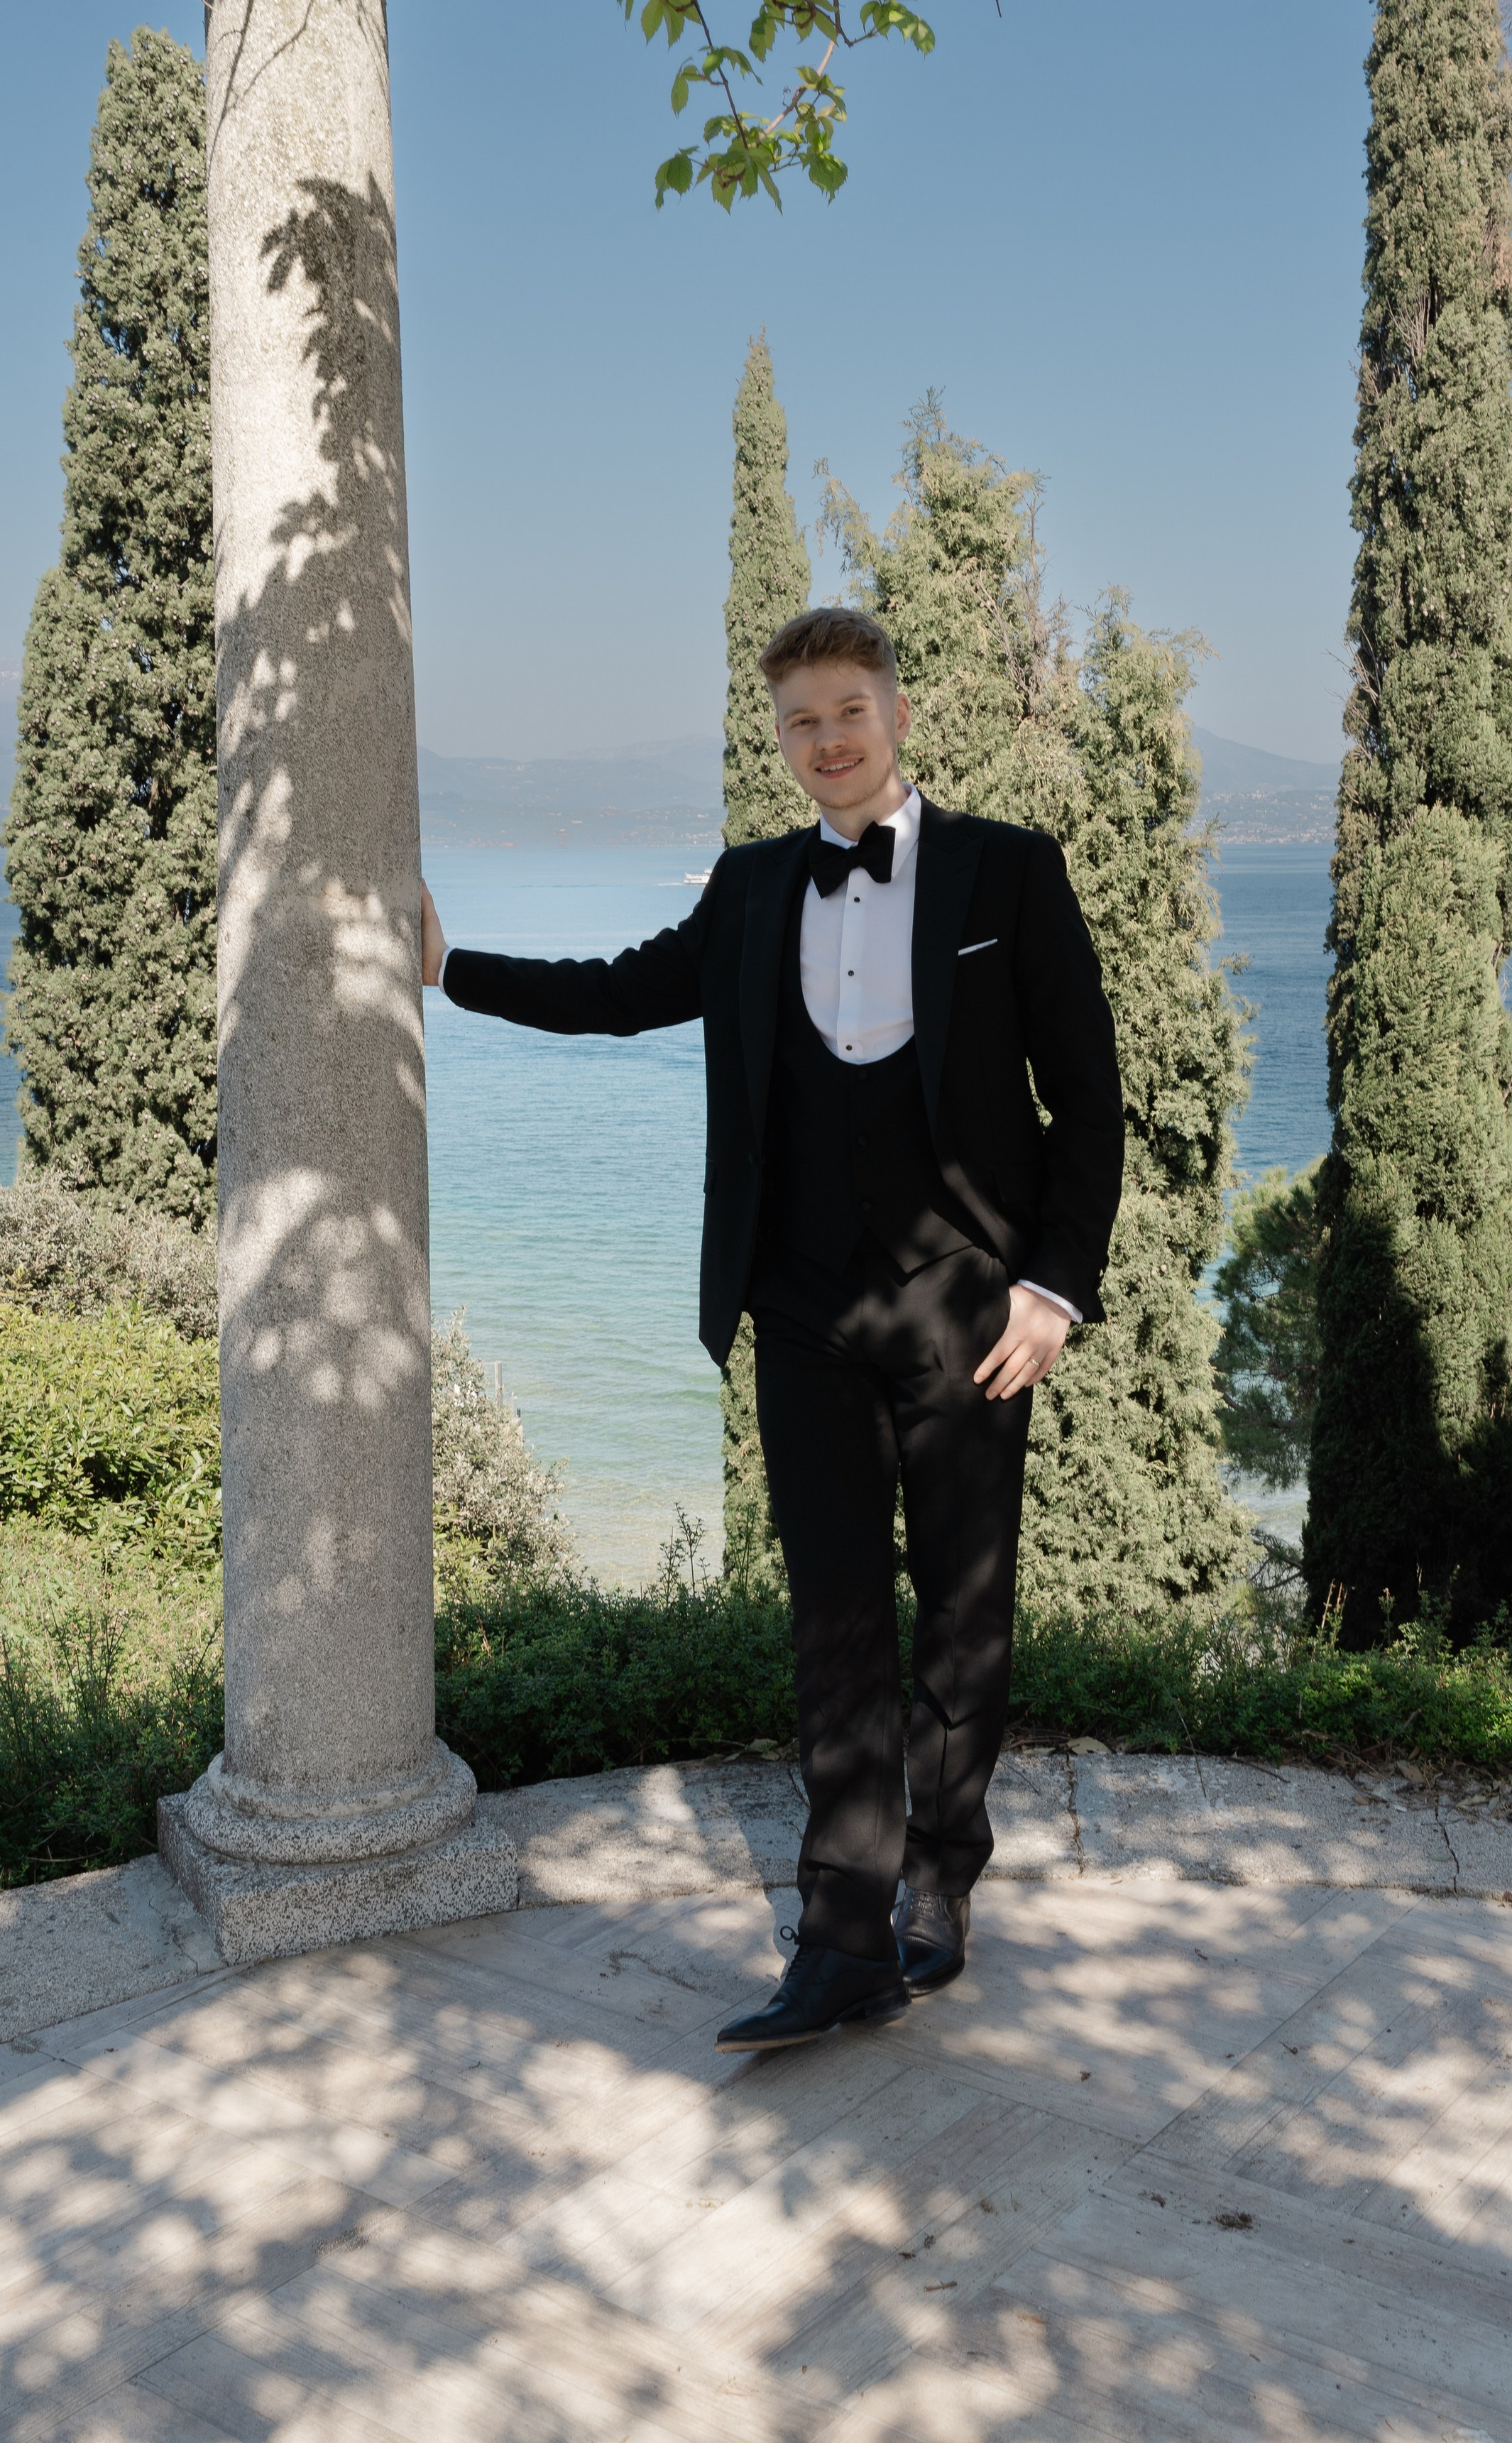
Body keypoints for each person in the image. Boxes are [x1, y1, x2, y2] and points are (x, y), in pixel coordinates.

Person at [420, 608, 1123, 2053]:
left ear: (897, 712)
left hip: (965, 1310)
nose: (828, 740)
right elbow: (621, 993)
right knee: (835, 1624)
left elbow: (1089, 1103)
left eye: (847, 710)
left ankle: (941, 1887)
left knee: (960, 1621)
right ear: (779, 739)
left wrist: (1051, 1292)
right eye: (799, 721)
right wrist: (449, 971)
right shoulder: (747, 889)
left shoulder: (1006, 870)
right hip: (797, 1306)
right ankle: (840, 1936)